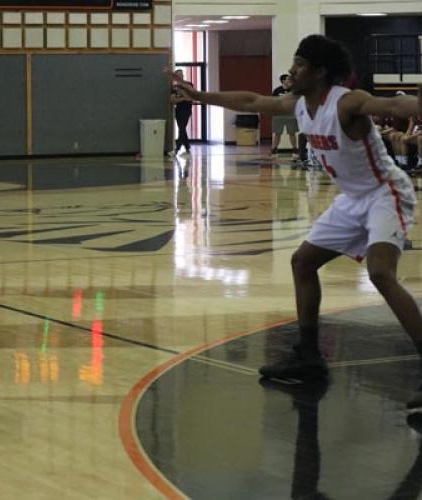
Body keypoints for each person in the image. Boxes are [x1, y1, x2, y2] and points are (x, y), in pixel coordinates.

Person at [175, 34, 422, 413]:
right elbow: (252, 101)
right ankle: (309, 355)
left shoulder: (346, 101)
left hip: (385, 192)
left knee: (381, 274)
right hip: (352, 199)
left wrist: (415, 105)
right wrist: (200, 96)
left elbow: (390, 103)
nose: (292, 71)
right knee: (302, 262)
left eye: (300, 65)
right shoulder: (300, 105)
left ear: (320, 72)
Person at [271, 73, 299, 160]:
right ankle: (274, 150)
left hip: (291, 114)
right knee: (277, 133)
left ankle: (295, 150)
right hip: (279, 115)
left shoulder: (294, 90)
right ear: (283, 81)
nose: (290, 80)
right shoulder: (277, 90)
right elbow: (273, 102)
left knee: (292, 133)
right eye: (288, 79)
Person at [171, 69, 194, 157]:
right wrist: (183, 98)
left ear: (183, 75)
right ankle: (187, 147)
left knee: (182, 128)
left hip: (186, 110)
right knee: (182, 129)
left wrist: (182, 98)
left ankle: (177, 149)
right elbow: (173, 100)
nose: (179, 76)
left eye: (181, 74)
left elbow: (190, 98)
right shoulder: (174, 87)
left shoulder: (189, 85)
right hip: (178, 110)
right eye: (177, 75)